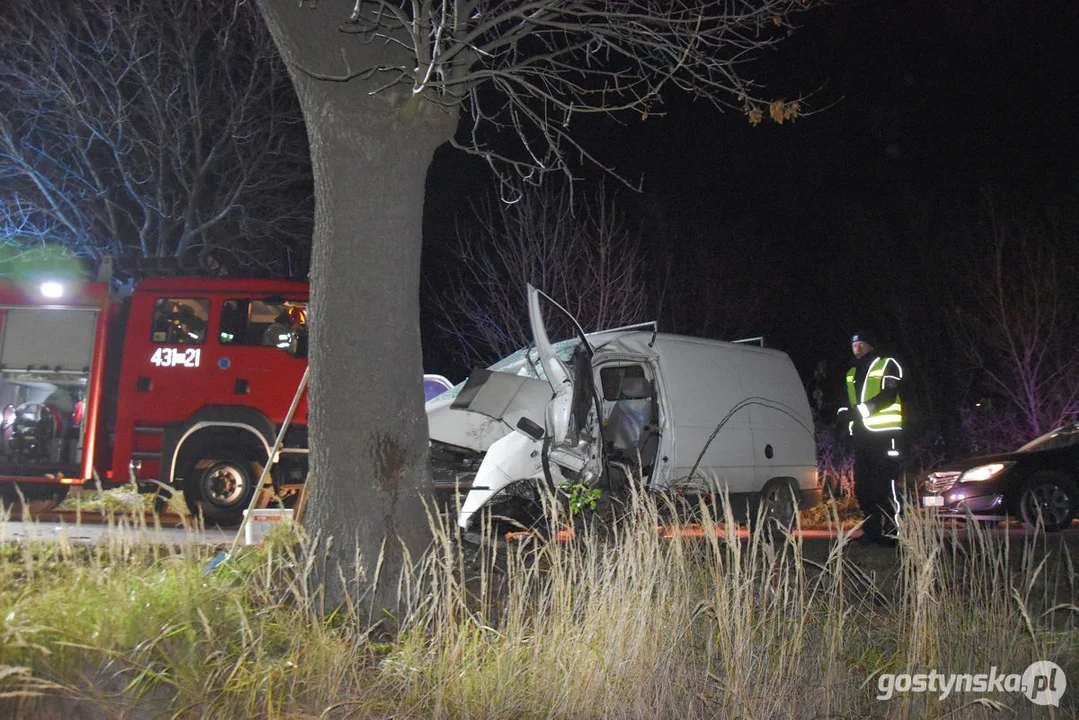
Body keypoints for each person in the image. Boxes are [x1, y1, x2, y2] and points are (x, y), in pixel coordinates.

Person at [836, 330, 905, 547]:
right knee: (864, 487)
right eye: (853, 344)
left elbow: (888, 396)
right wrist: (843, 417)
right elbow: (846, 400)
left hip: (885, 435)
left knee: (887, 485)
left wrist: (859, 412)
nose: (856, 348)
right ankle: (871, 532)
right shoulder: (851, 371)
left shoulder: (887, 364)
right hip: (862, 437)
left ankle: (894, 532)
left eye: (861, 344)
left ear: (870, 345)